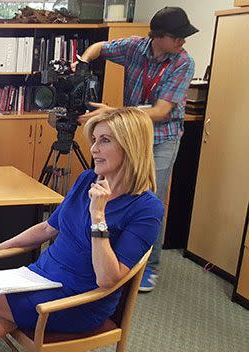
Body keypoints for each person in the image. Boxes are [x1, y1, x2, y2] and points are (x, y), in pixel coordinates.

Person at [0, 107, 164, 352]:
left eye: (105, 141)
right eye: (94, 140)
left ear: (131, 147)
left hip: (79, 301)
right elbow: (47, 228)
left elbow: (107, 279)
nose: (94, 149)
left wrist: (98, 215)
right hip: (41, 276)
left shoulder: (146, 208)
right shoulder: (86, 180)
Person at [75, 6, 197, 291]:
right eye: (177, 36)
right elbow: (100, 47)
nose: (182, 42)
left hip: (162, 137)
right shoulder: (133, 48)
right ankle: (113, 254)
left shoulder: (182, 62)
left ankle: (148, 266)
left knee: (149, 199)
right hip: (129, 136)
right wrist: (83, 62)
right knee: (114, 189)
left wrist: (112, 112)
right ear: (159, 36)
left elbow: (161, 111)